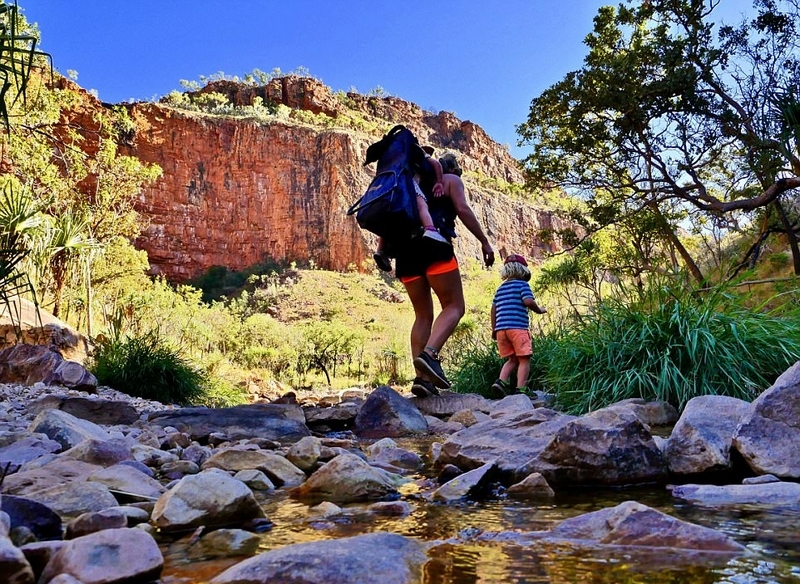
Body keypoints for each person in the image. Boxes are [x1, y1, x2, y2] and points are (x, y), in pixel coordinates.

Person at [392, 152, 495, 398]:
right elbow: (463, 209)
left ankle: (422, 380)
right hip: (434, 246)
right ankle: (429, 354)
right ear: (455, 168)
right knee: (455, 306)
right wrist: (484, 242)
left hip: (405, 253)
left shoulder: (411, 181)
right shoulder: (450, 180)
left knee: (422, 315)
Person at [373, 146, 448, 272]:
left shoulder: (396, 156)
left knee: (389, 218)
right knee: (422, 204)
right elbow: (436, 164)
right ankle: (430, 229)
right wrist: (439, 182)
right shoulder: (419, 152)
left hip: (388, 186)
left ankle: (381, 250)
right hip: (407, 183)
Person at [490, 254, 546, 397]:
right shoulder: (523, 285)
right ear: (523, 270)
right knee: (524, 359)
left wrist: (494, 329)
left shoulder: (500, 289)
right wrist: (539, 310)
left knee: (511, 359)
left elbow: (493, 309)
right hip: (517, 329)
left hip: (501, 330)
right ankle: (521, 388)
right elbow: (528, 301)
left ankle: (500, 381)